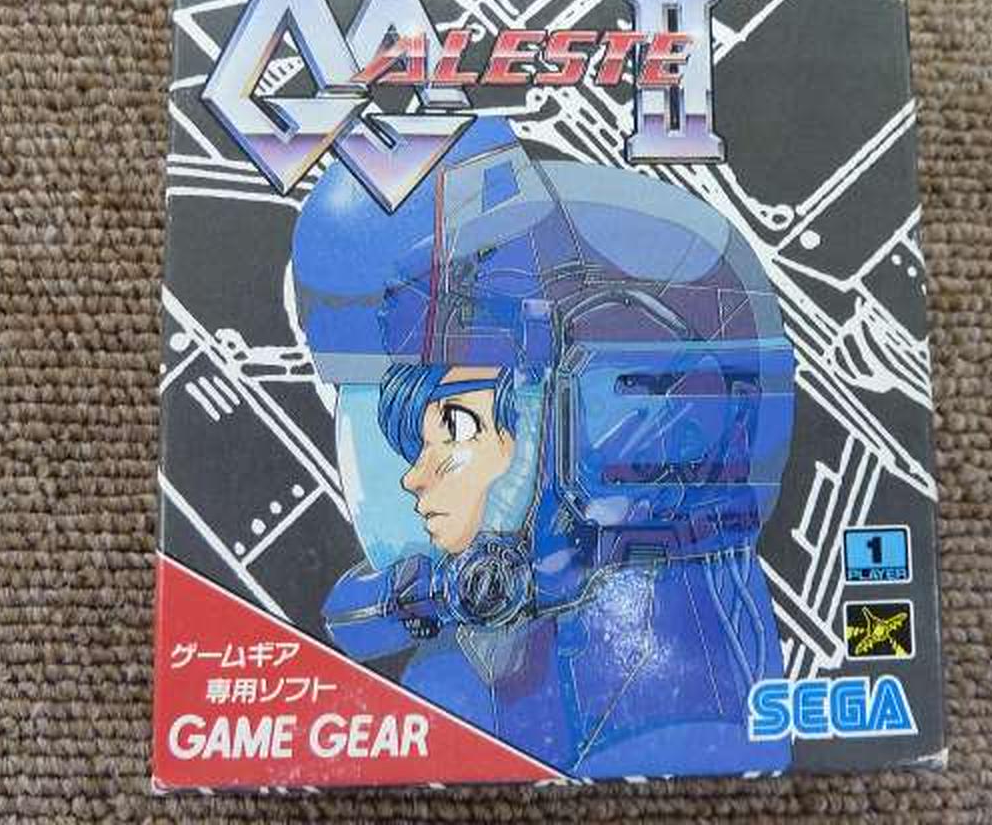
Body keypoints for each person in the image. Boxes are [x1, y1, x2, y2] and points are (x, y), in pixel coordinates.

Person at [298, 119, 795, 775]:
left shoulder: (685, 704)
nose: (411, 479)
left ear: (619, 425)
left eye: (456, 426)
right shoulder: (458, 673)